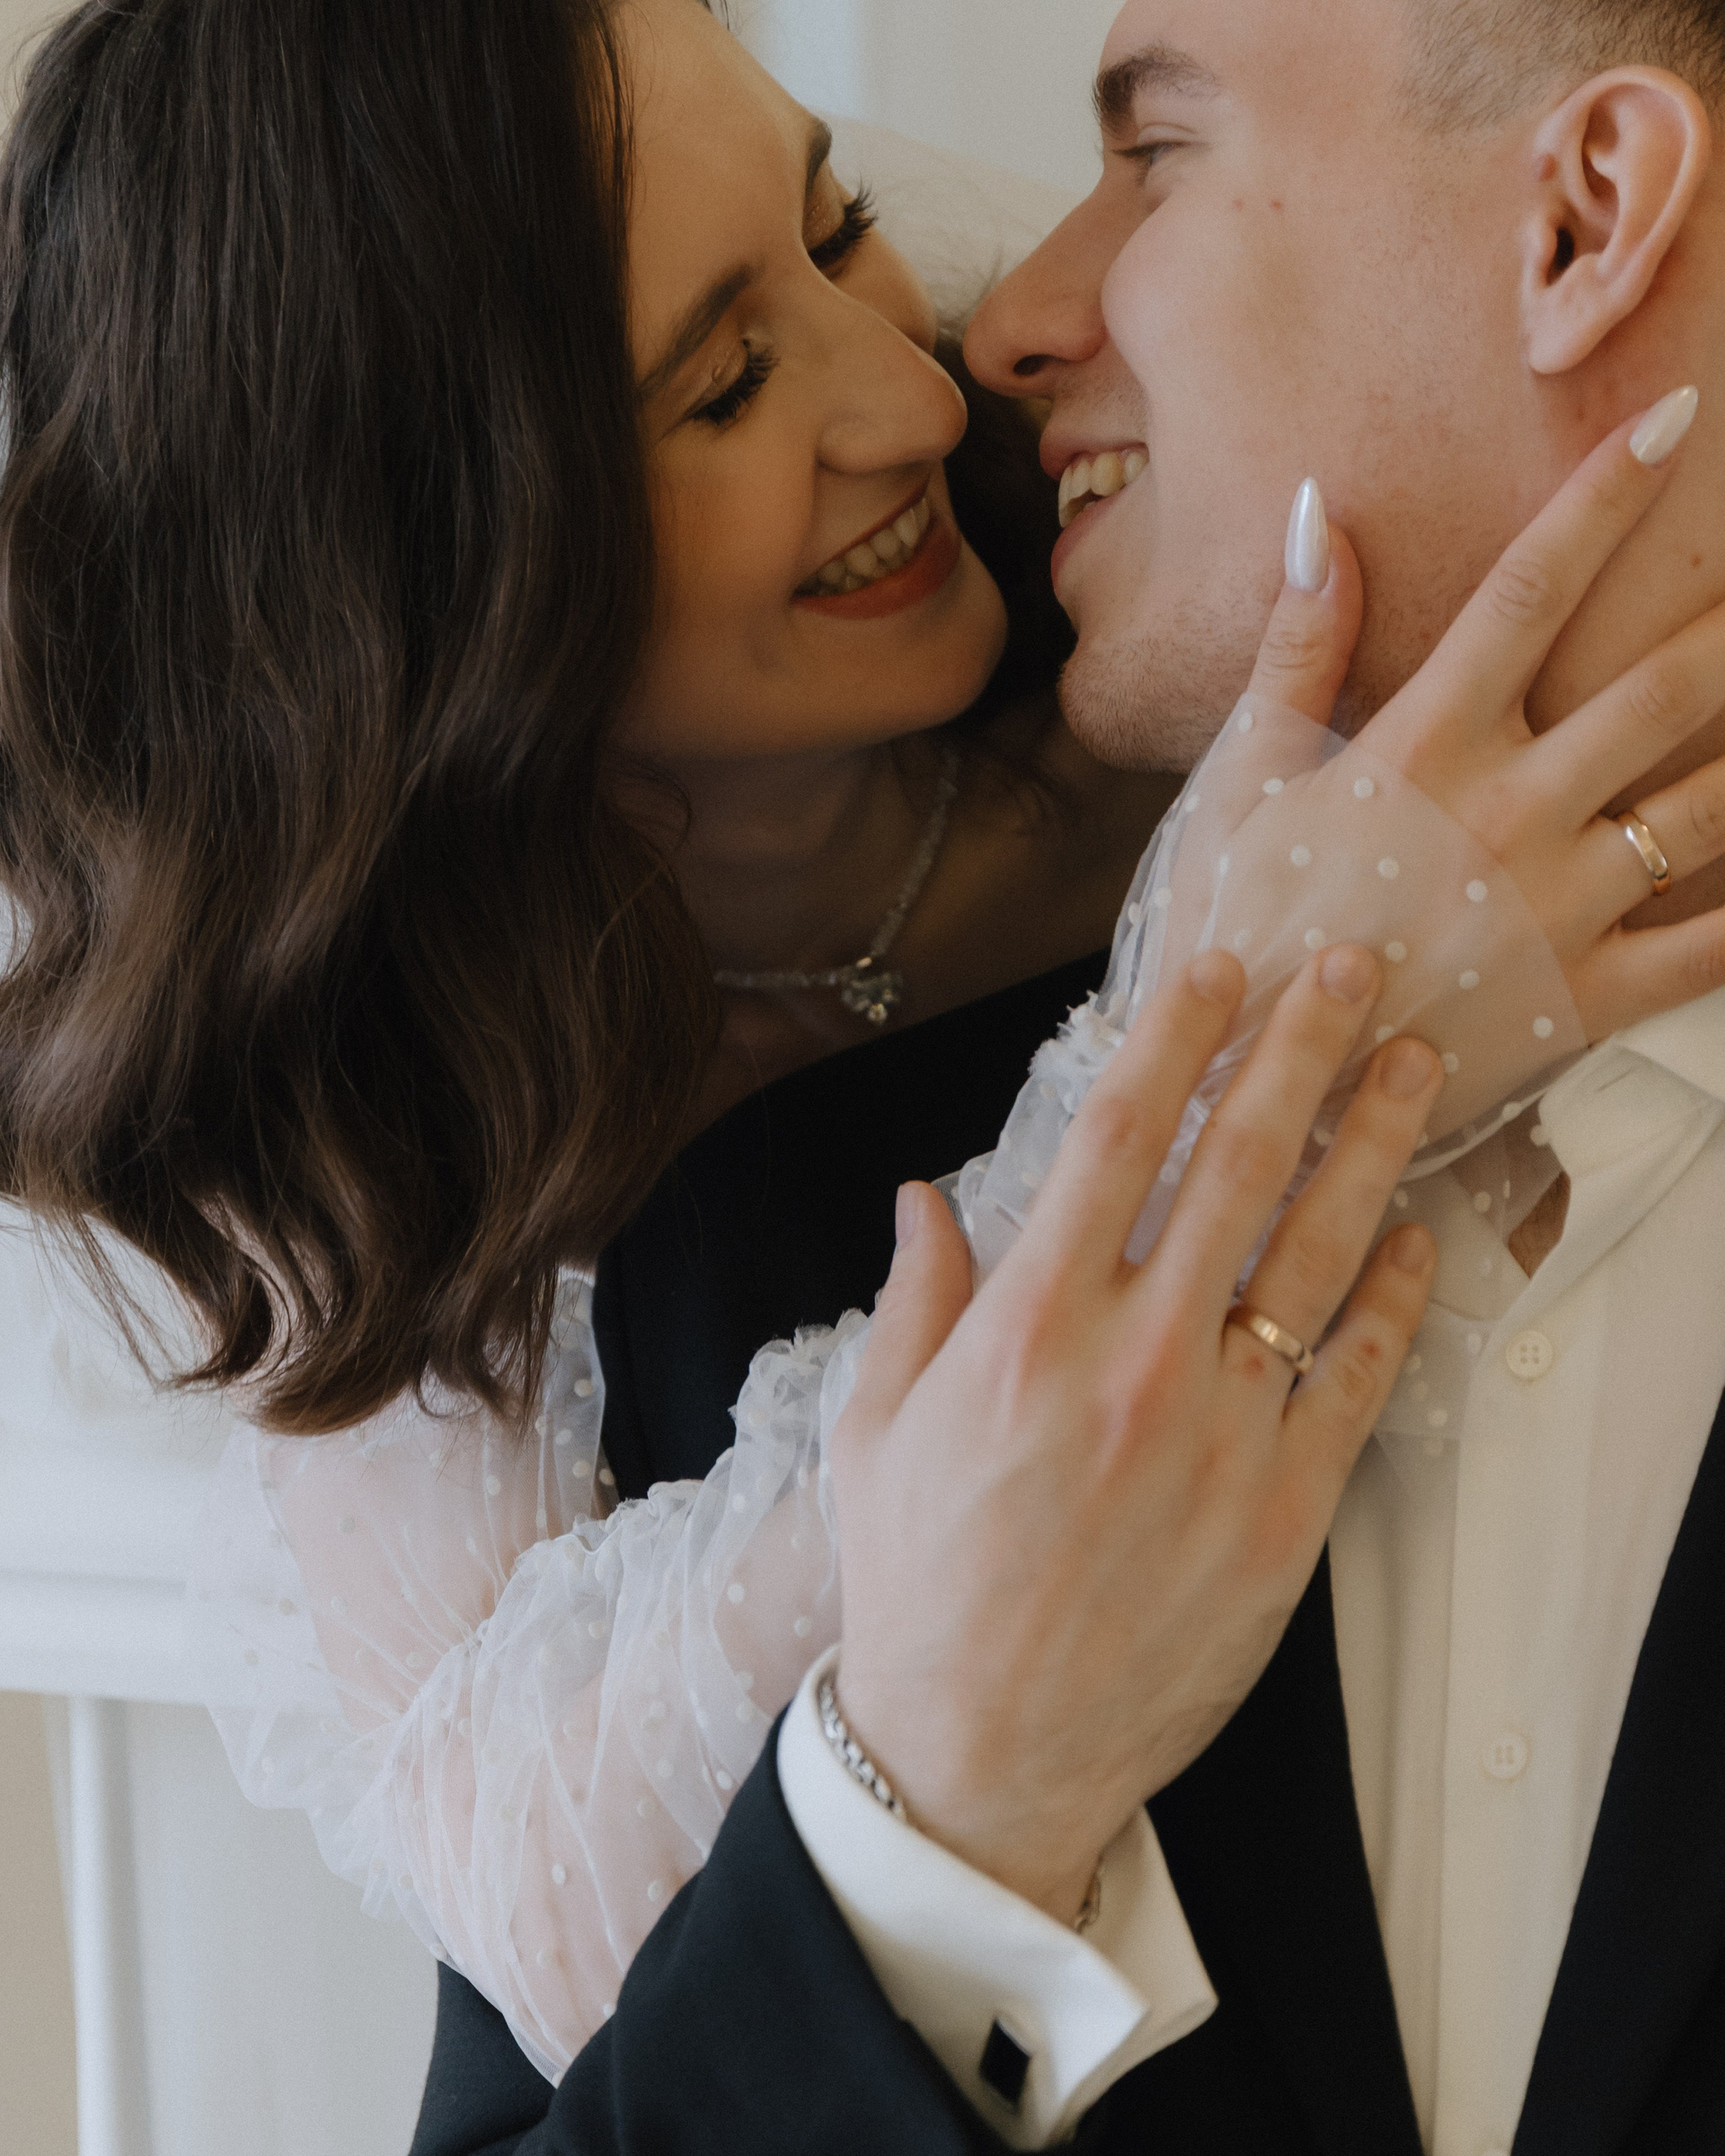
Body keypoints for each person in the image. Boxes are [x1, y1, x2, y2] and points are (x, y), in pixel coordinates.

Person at [365, 1, 1725, 2152]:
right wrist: (941, 1817)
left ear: (1582, 215)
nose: (988, 337)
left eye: (1155, 151)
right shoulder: (769, 1266)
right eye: (719, 381)